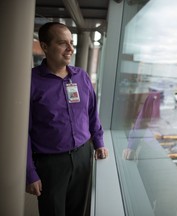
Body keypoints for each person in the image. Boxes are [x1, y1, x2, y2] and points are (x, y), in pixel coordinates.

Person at [25, 22, 108, 216]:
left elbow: (91, 113)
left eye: (71, 42)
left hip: (83, 157)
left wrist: (99, 143)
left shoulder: (82, 77)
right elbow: (22, 134)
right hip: (50, 164)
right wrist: (30, 172)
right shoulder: (30, 82)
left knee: (80, 211)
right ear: (45, 47)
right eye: (63, 43)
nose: (70, 48)